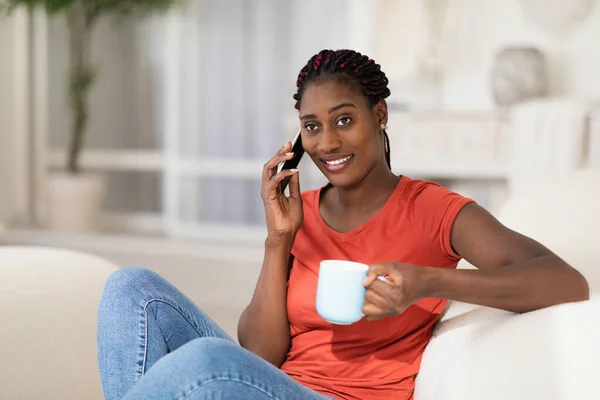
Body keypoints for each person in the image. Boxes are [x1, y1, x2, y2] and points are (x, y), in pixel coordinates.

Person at [97, 49, 589, 400]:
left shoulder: (434, 209)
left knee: (204, 364)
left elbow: (566, 282)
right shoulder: (299, 212)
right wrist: (278, 241)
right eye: (312, 127)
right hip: (275, 385)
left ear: (379, 116)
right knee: (130, 287)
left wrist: (426, 281)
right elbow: (262, 355)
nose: (327, 142)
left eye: (344, 119)